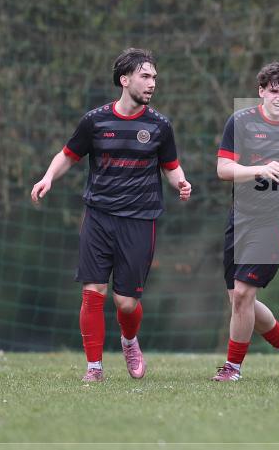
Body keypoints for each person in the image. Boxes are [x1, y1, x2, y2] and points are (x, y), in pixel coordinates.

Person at [31, 48, 191, 382]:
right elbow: (68, 155)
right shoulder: (95, 120)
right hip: (99, 215)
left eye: (154, 78)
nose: (152, 84)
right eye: (145, 77)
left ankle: (129, 340)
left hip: (139, 218)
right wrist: (47, 177)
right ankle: (94, 368)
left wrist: (181, 183)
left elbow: (171, 166)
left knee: (126, 303)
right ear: (125, 79)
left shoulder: (160, 125)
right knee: (93, 292)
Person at [210, 62, 279, 381]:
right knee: (240, 300)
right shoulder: (240, 122)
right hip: (241, 217)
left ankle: (233, 368)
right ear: (261, 92)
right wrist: (259, 169)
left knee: (243, 294)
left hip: (277, 217)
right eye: (273, 92)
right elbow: (224, 170)